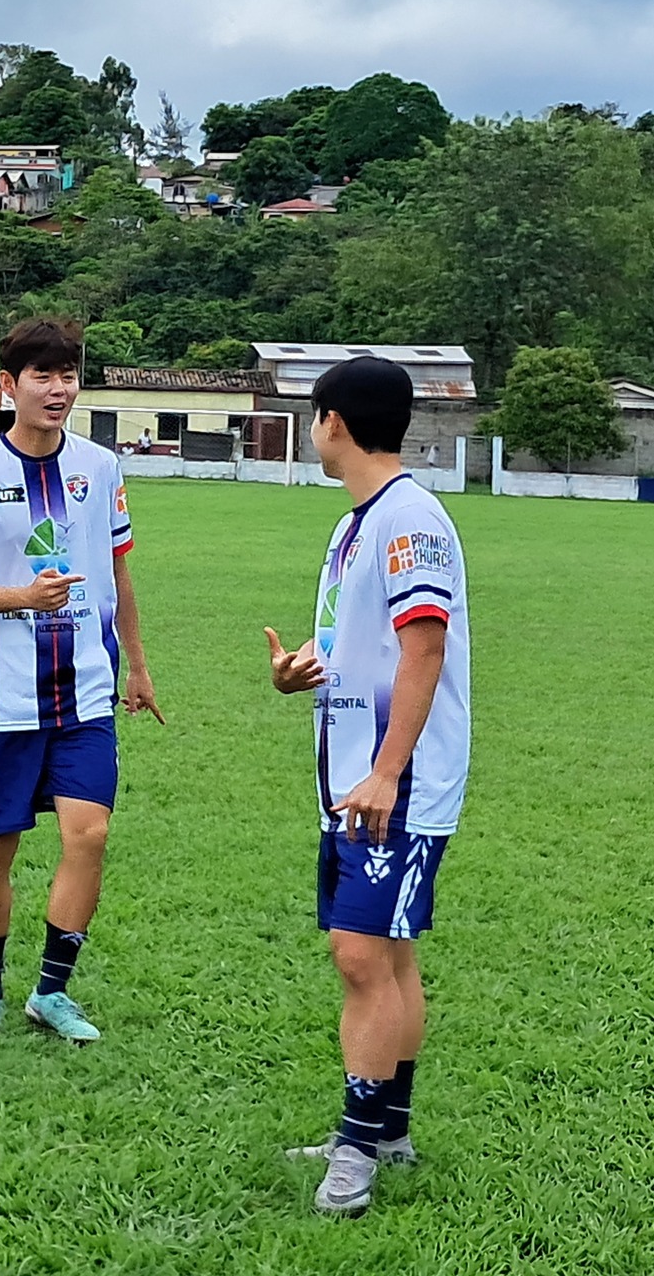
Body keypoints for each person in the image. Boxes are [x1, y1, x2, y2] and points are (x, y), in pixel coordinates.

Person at [263, 356, 470, 1217]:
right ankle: (386, 1129)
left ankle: (356, 1148)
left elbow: (424, 648)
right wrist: (298, 673)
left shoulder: (409, 519)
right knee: (387, 953)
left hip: (394, 783)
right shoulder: (356, 524)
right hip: (353, 777)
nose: (313, 432)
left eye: (313, 418)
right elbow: (371, 649)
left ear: (334, 422)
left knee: (357, 956)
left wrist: (387, 770)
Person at [0, 318, 164, 1046]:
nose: (59, 389)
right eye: (43, 376)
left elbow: (118, 569)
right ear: (8, 386)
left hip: (86, 691)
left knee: (88, 835)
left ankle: (52, 991)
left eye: (68, 375)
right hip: (1, 693)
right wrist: (24, 598)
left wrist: (140, 664)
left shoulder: (101, 467)